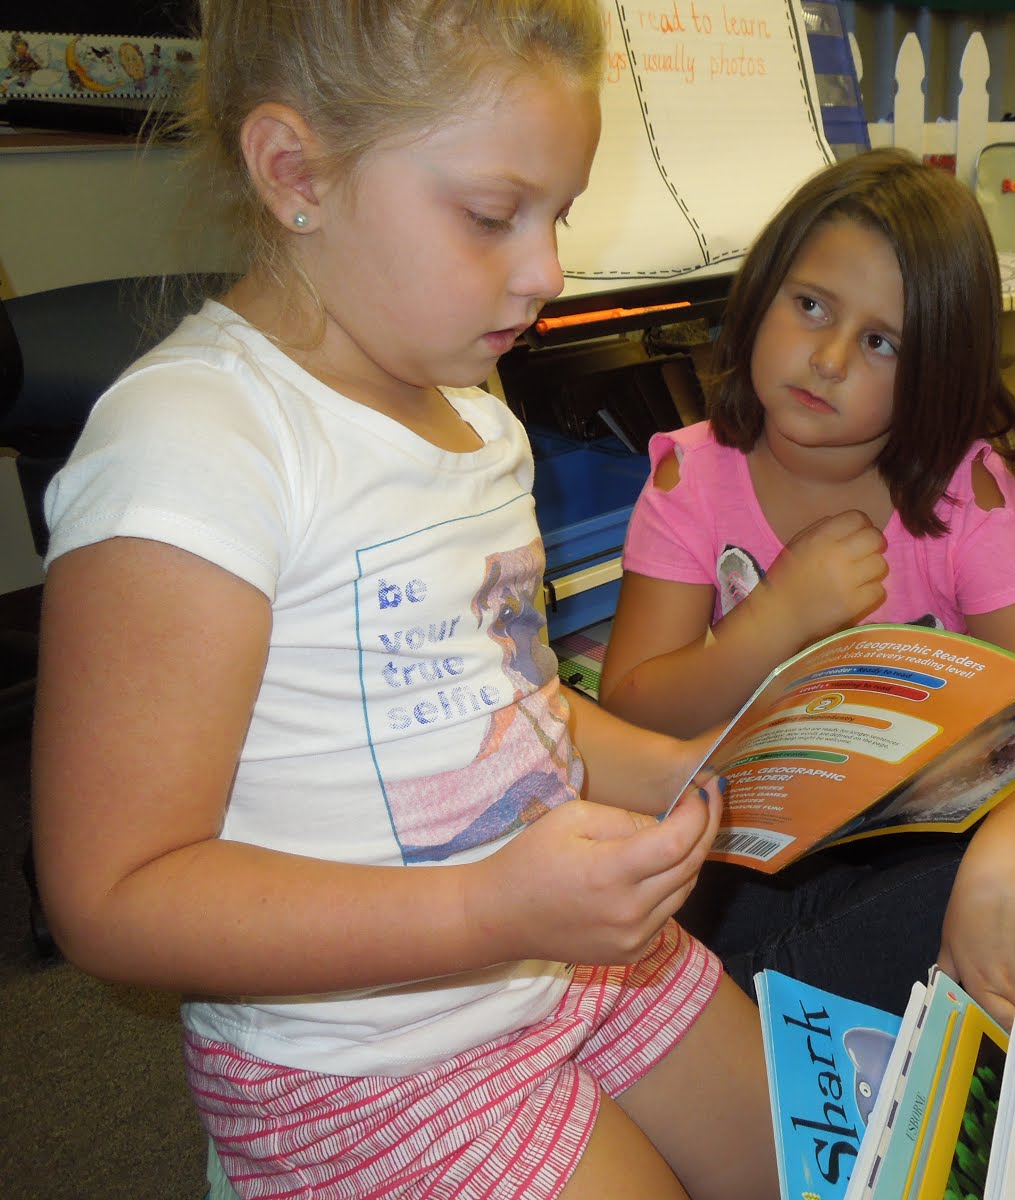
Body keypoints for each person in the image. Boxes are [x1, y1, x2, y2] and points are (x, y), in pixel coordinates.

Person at [29, 2, 778, 1197]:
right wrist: (490, 911)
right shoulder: (197, 446)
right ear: (296, 173)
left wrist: (692, 767)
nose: (547, 272)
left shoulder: (477, 418)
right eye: (491, 215)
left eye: (558, 215)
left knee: (824, 1163)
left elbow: (513, 711)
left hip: (561, 957)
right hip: (367, 1067)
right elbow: (111, 898)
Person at [598, 148, 1015, 1025]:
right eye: (811, 305)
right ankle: (747, 1007)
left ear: (936, 371)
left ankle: (723, 1008)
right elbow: (631, 711)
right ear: (762, 292)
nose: (828, 358)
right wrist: (774, 619)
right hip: (750, 836)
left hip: (916, 836)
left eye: (881, 342)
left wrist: (1001, 873)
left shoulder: (968, 497)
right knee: (644, 849)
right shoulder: (690, 478)